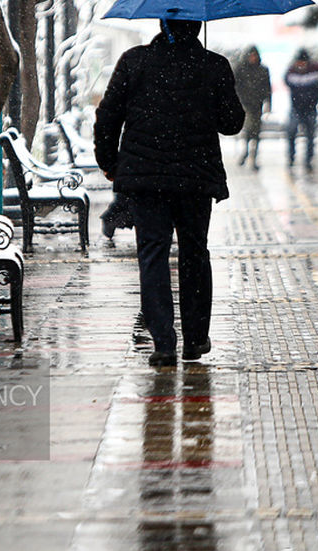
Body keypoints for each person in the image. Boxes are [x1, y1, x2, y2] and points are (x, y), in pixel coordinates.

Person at [94, 18, 245, 367]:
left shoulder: (135, 61)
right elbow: (232, 123)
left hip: (147, 182)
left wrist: (110, 163)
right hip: (195, 181)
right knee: (194, 254)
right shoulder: (213, 65)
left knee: (152, 256)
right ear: (197, 26)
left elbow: (108, 115)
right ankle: (195, 339)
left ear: (162, 25)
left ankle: (163, 342)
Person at [284, 48, 318, 172]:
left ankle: (308, 160)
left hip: (310, 108)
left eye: (303, 62)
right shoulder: (292, 71)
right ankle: (291, 157)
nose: (301, 65)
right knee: (291, 132)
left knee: (310, 135)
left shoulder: (316, 70)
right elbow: (287, 81)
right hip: (296, 108)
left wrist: (316, 91)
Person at [233, 45, 272, 169]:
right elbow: (234, 85)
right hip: (245, 104)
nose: (253, 58)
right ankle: (246, 153)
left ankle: (252, 155)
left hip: (257, 105)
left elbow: (267, 88)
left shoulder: (262, 70)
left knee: (255, 132)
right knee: (249, 129)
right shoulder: (241, 69)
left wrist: (268, 103)